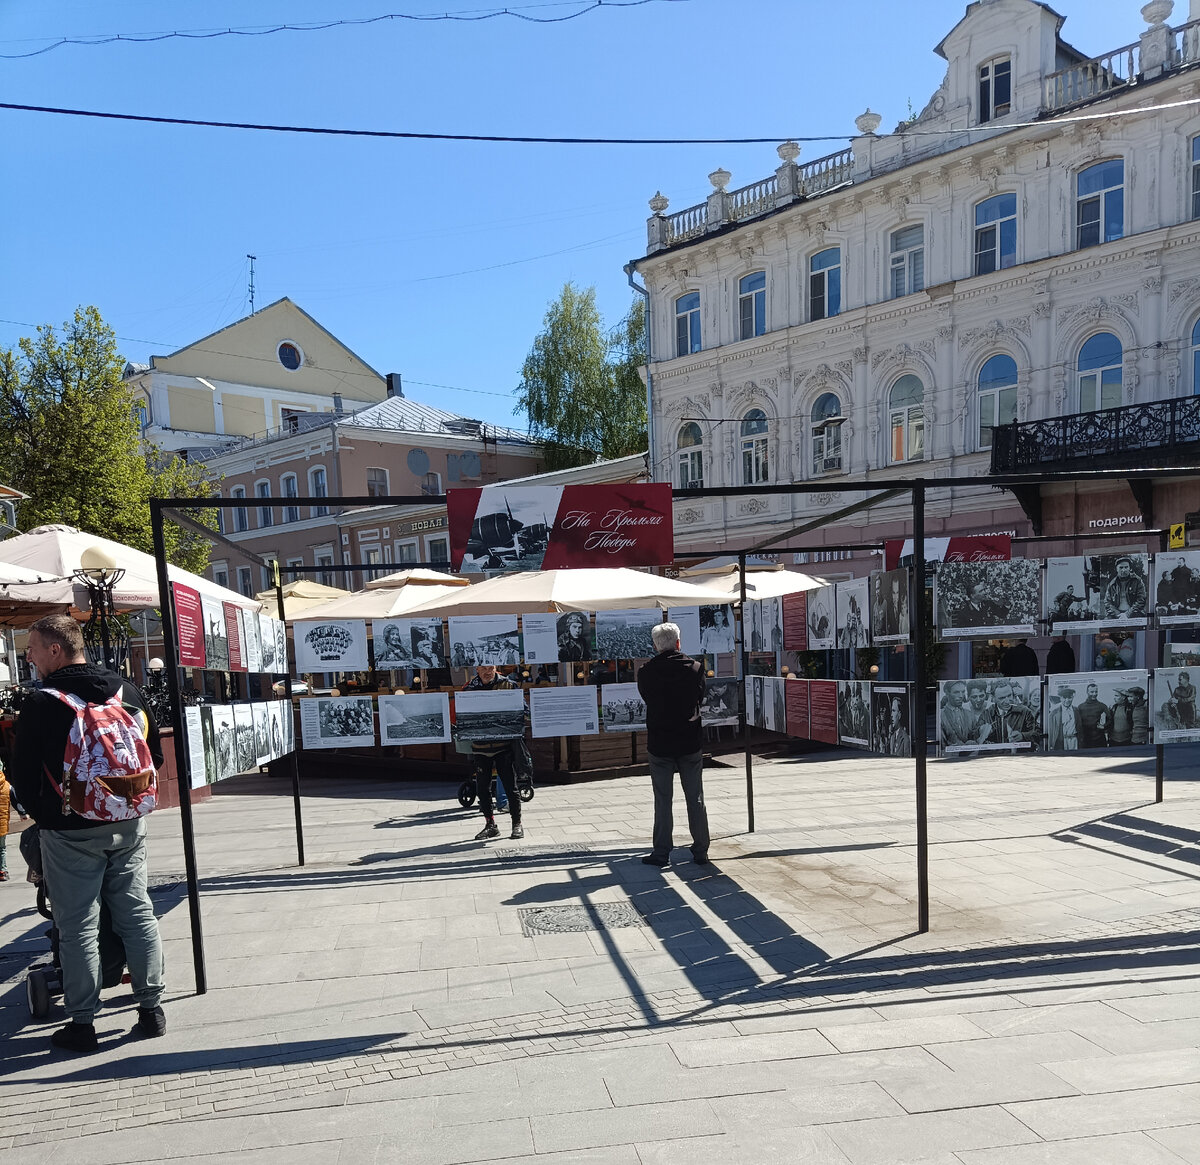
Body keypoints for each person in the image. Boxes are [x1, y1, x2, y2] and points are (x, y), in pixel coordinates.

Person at [11, 614, 166, 1053]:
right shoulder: (127, 691)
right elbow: (153, 755)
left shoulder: (43, 703)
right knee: (137, 912)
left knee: (77, 923)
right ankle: (151, 1009)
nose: (30, 657)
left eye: (34, 649)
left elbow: (23, 775)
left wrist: (50, 816)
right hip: (128, 820)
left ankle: (82, 1023)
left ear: (55, 650)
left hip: (70, 829)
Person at [636, 622, 709, 868]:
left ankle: (661, 852)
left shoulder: (646, 672)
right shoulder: (695, 668)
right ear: (678, 642)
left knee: (663, 799)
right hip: (689, 740)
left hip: (660, 742)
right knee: (695, 797)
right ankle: (700, 849)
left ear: (656, 645)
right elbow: (700, 697)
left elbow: (647, 698)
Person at [461, 664, 524, 841]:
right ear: (477, 670)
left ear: (496, 668)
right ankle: (490, 825)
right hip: (480, 748)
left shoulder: (509, 686)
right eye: (483, 668)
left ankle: (517, 824)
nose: (488, 672)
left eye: (491, 668)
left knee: (511, 787)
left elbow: (522, 710)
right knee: (482, 789)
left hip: (503, 747)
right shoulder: (468, 689)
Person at [1076, 681, 1110, 748]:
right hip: (1086, 741)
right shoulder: (1080, 707)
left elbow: (1110, 719)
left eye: (1096, 692)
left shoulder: (1102, 706)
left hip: (1099, 740)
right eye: (1092, 692)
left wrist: (1104, 726)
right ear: (1087, 692)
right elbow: (1077, 724)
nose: (1094, 694)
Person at [1047, 686, 1081, 750]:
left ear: (1073, 697)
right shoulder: (1054, 713)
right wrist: (1051, 746)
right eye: (1064, 698)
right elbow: (1051, 732)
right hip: (1062, 741)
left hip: (1074, 741)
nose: (1067, 700)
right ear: (1060, 698)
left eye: (1069, 697)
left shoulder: (1077, 710)